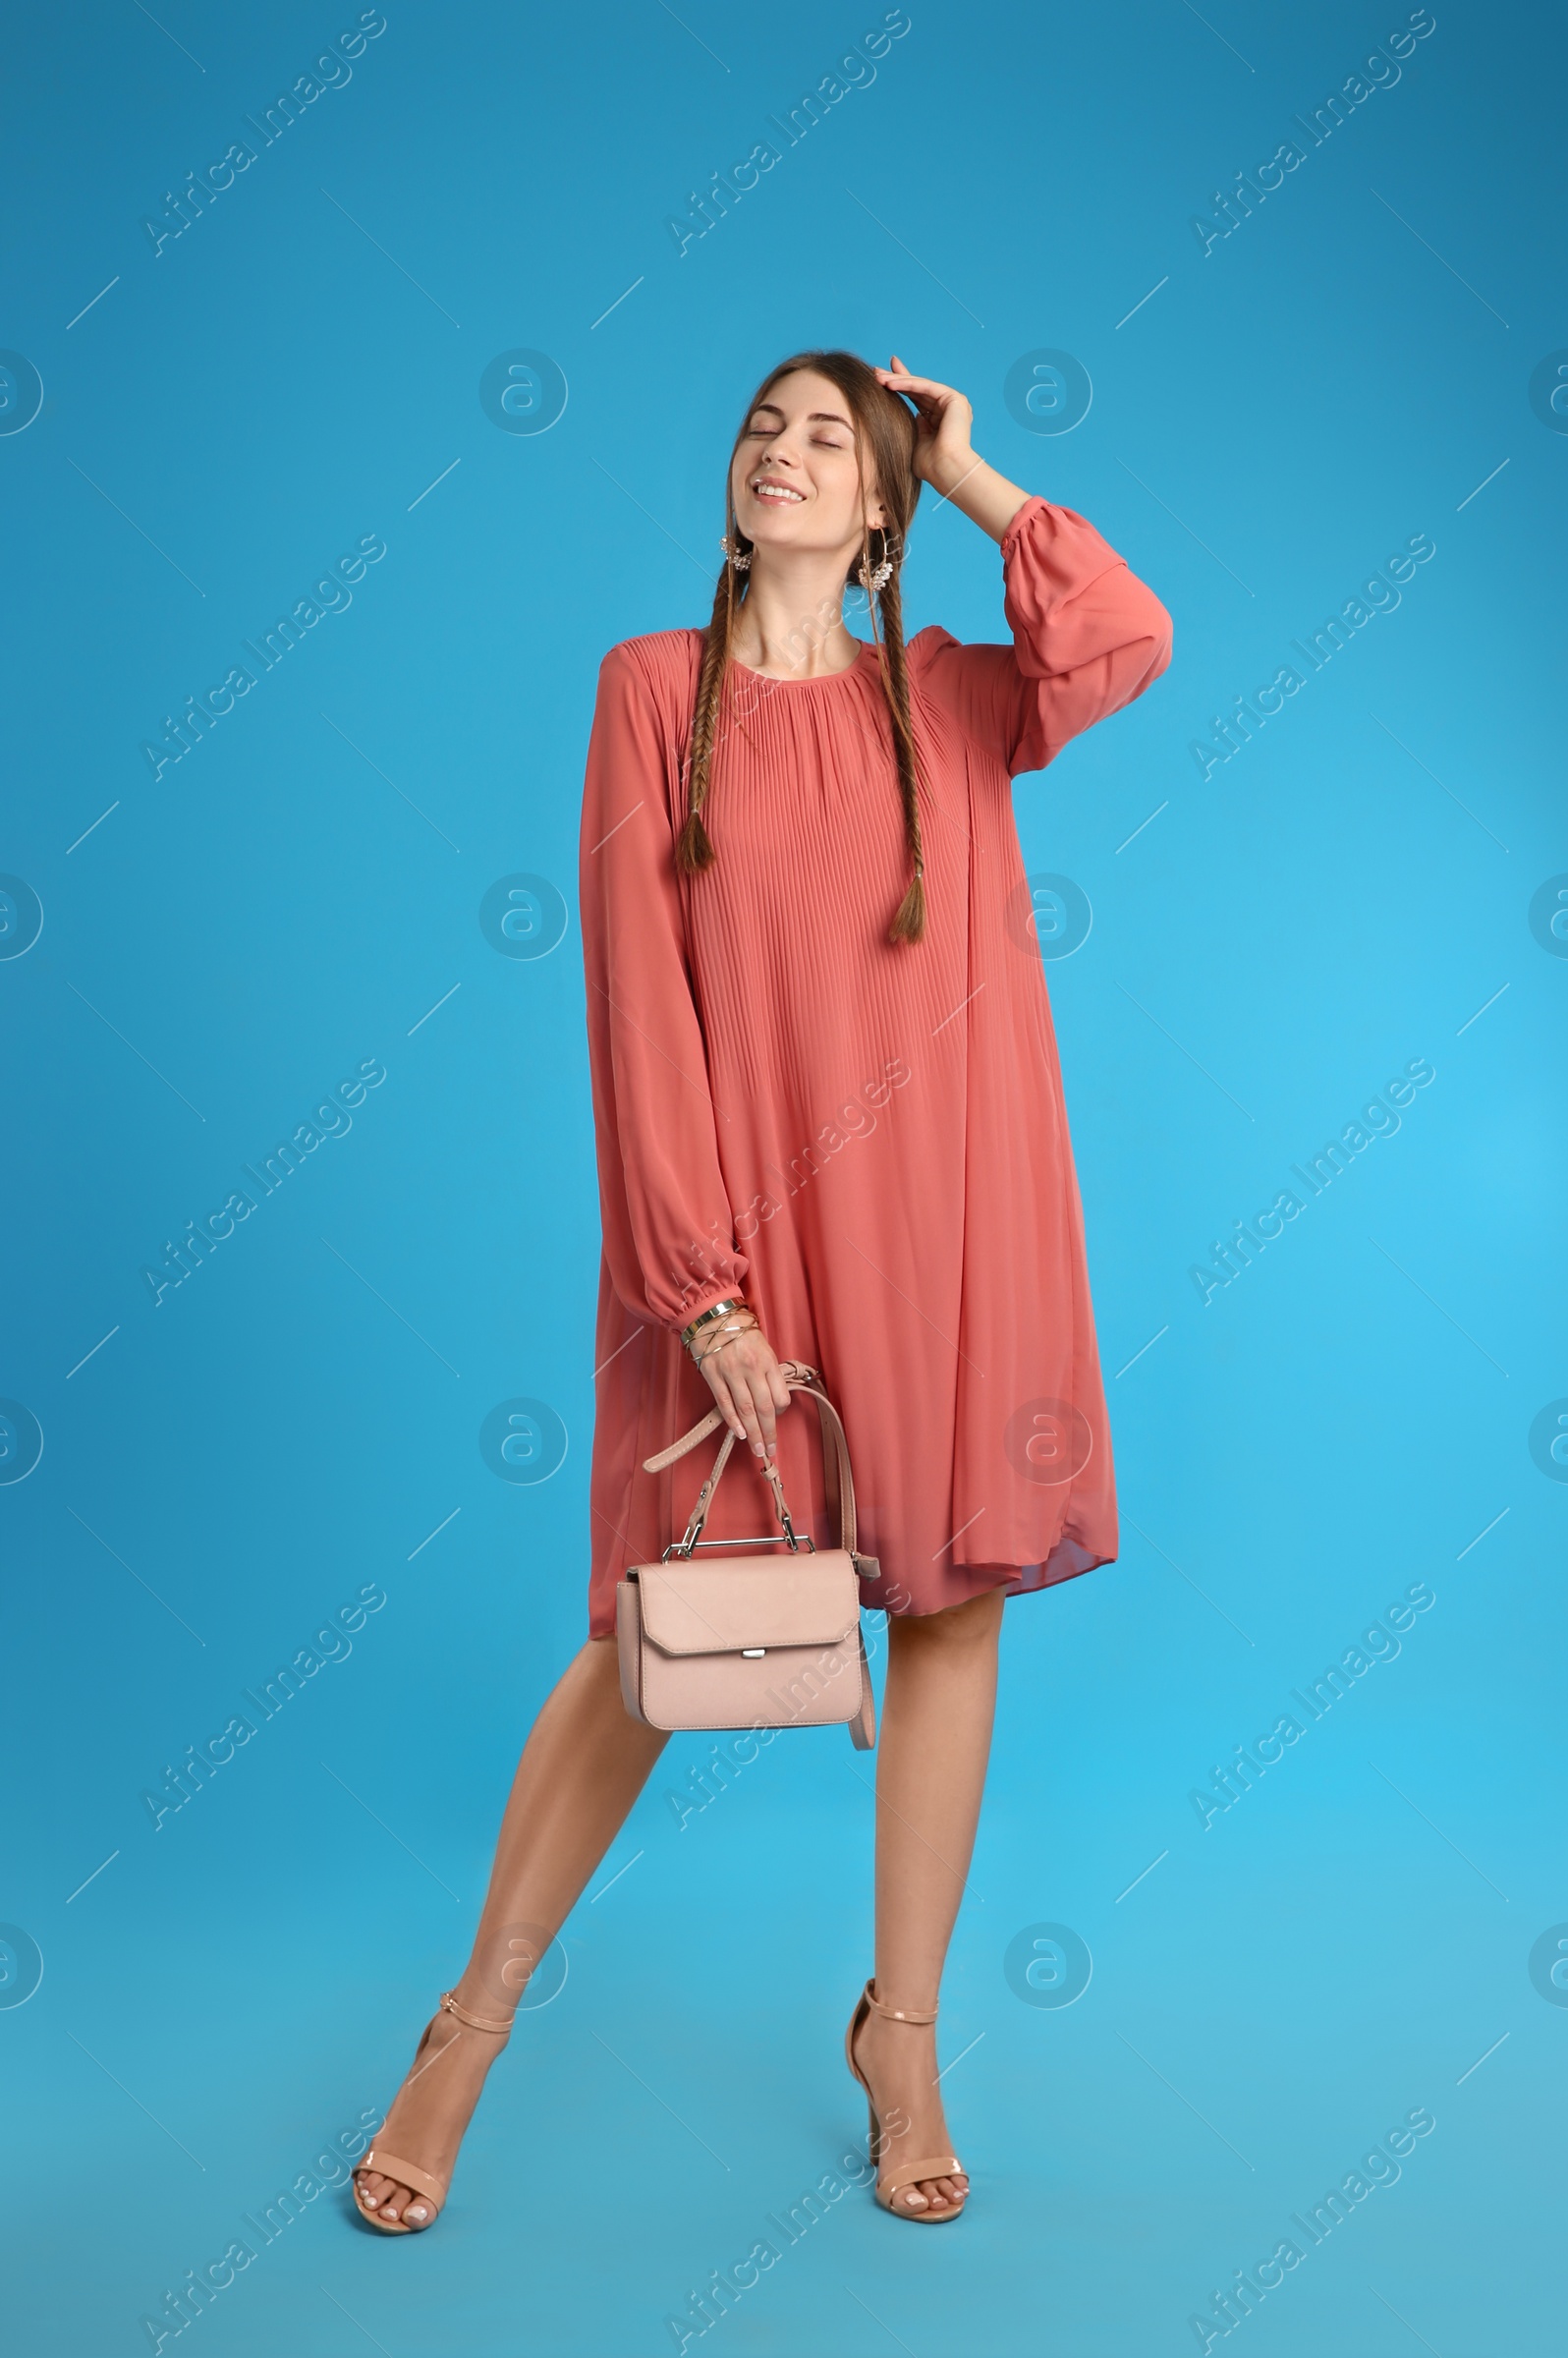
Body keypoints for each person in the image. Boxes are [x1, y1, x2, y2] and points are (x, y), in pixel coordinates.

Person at [355, 348, 1171, 2232]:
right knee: (654, 1638)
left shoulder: (954, 697)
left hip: (959, 1217)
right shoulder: (656, 691)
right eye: (761, 431)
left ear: (878, 506)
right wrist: (699, 1290)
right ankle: (466, 2029)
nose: (785, 455)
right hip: (739, 1246)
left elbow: (1126, 635)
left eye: (832, 440)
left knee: (951, 1611)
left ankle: (904, 2032)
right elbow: (639, 1006)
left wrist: (968, 472)